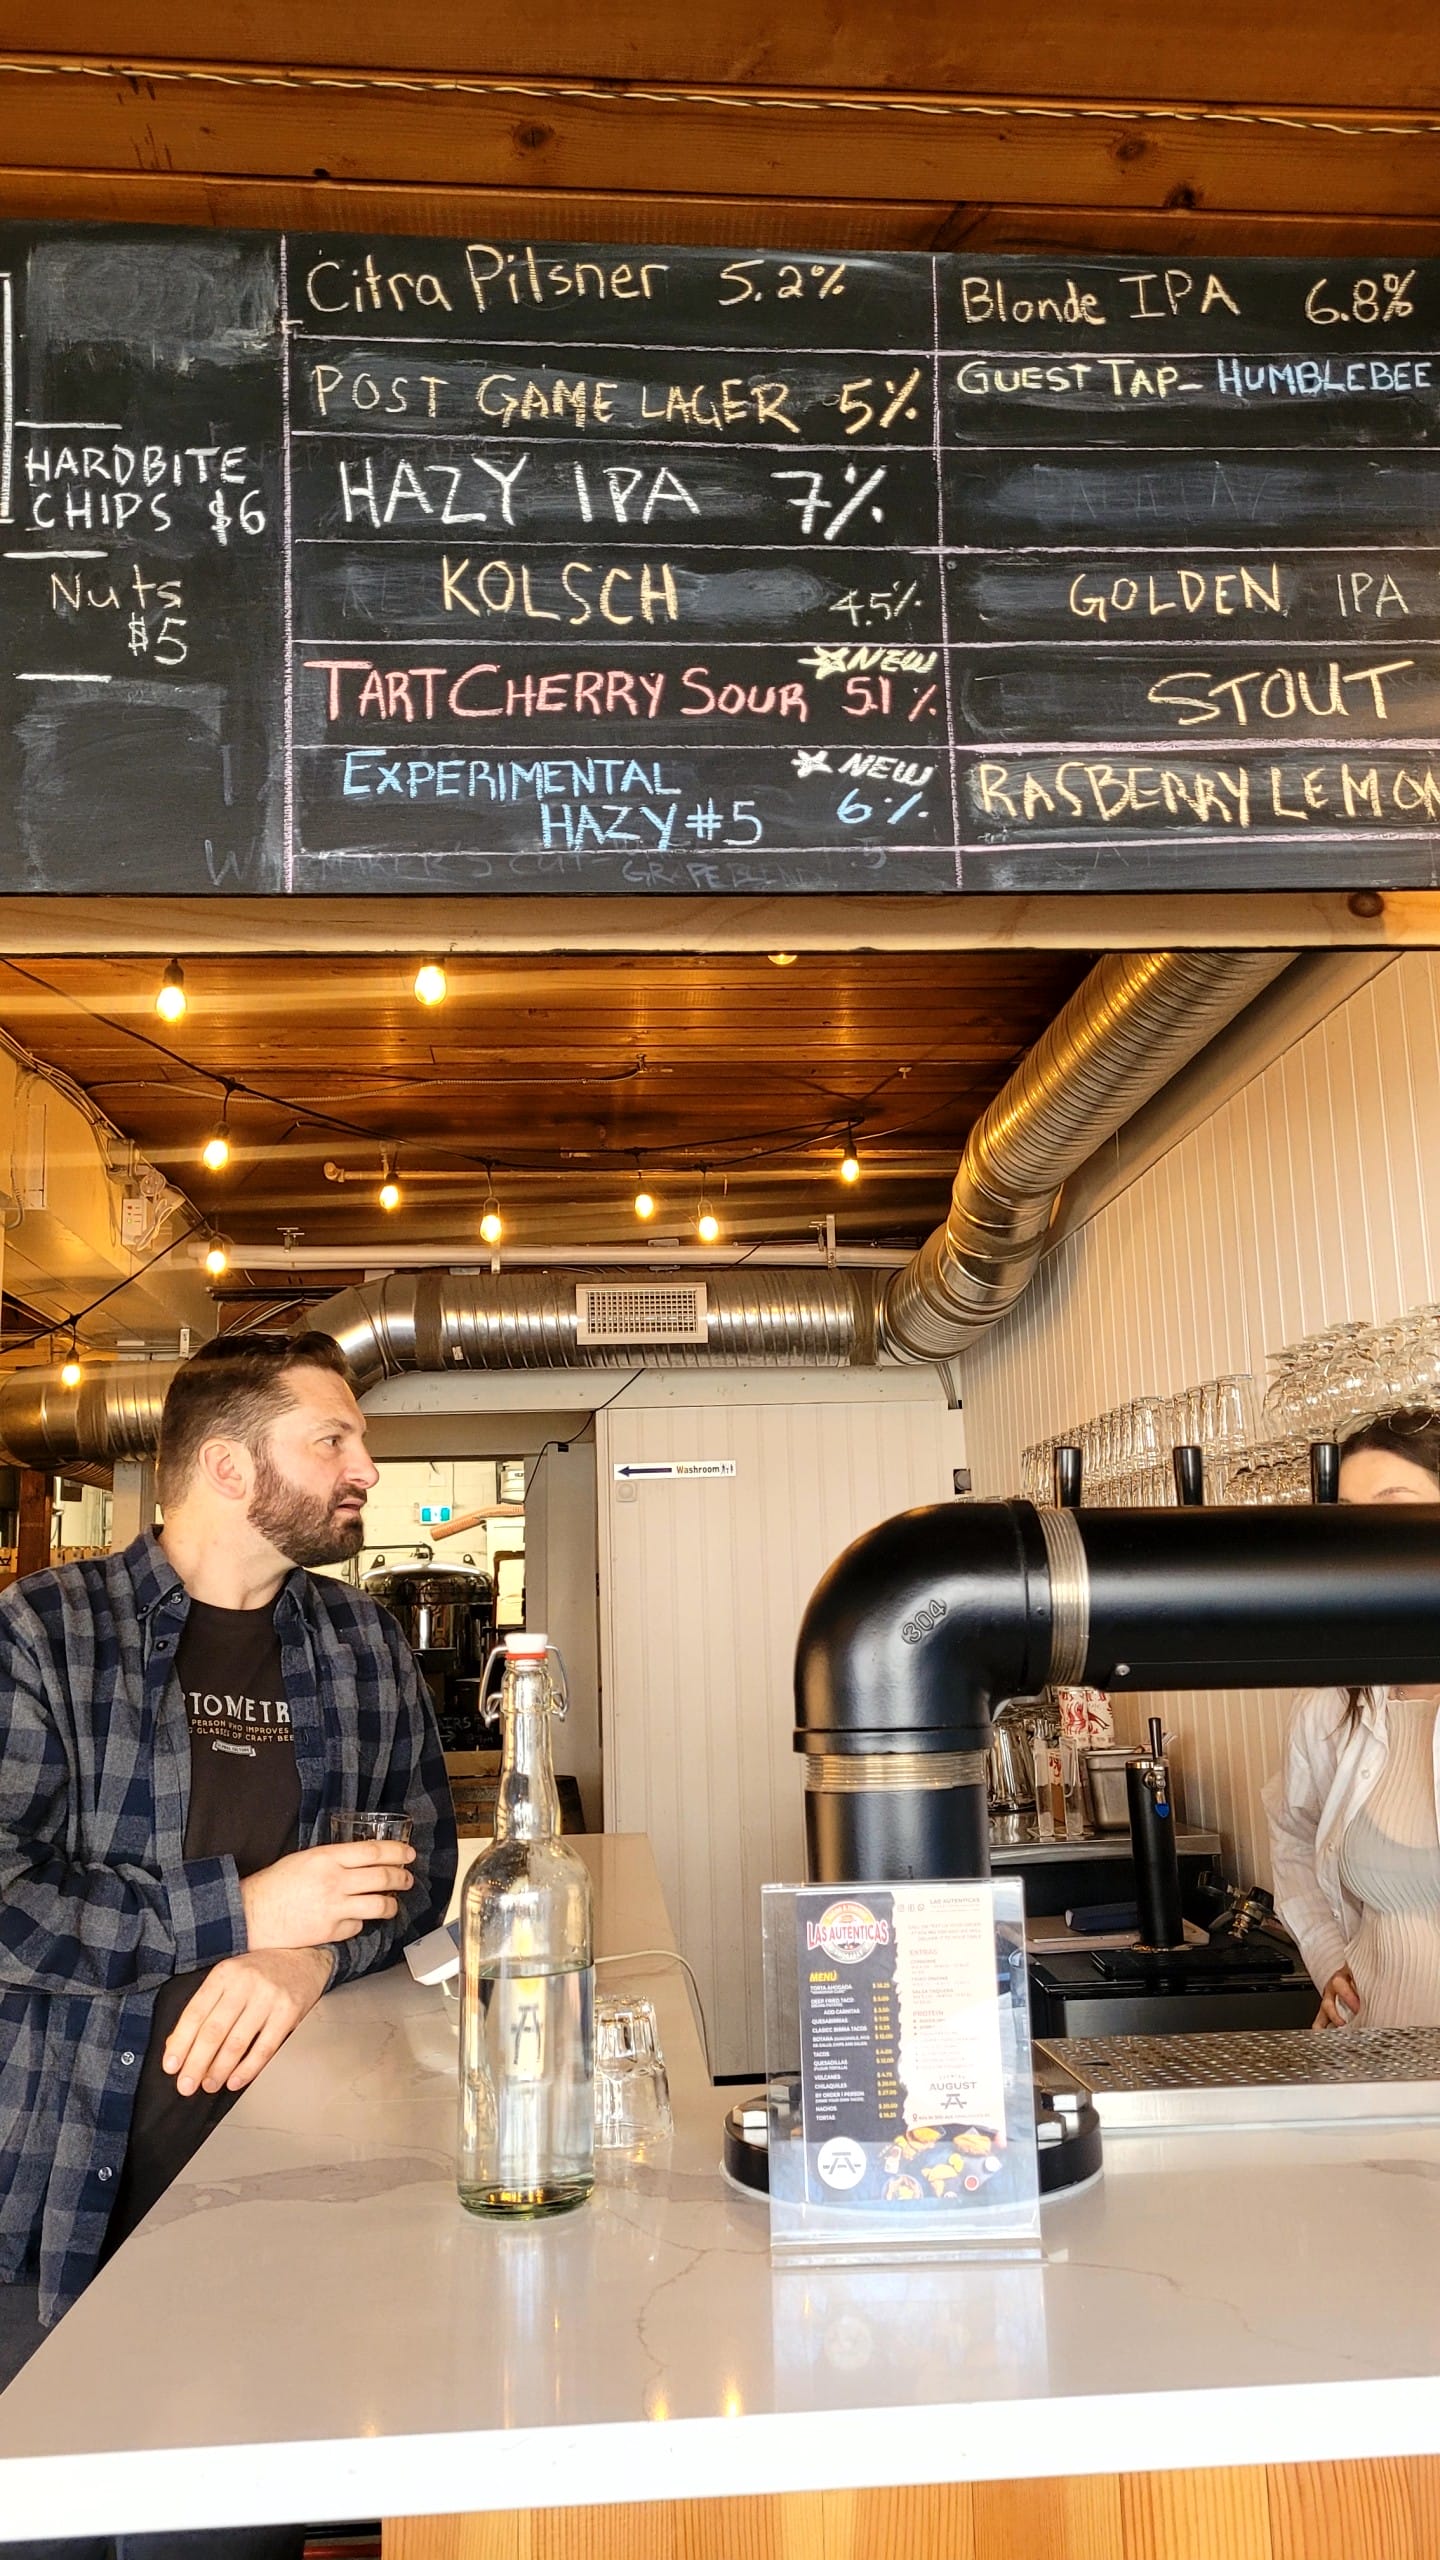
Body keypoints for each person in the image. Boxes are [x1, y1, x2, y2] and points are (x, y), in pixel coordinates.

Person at [0, 1331, 457, 2557]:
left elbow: (421, 1866)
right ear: (226, 1466)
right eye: (334, 1439)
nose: (366, 1462)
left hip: (270, 2216)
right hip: (45, 2198)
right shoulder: (46, 1634)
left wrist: (310, 1956)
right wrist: (247, 1911)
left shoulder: (363, 1645)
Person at [1264, 1408, 1440, 2032]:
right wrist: (1326, 1956)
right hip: (1368, 2056)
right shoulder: (1335, 1702)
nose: (1371, 1534)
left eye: (1396, 1504)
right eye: (1352, 1513)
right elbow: (1292, 1837)